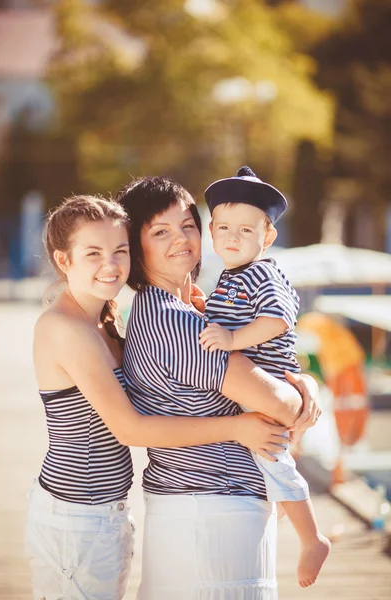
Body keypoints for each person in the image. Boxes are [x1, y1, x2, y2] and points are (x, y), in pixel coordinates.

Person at [27, 194, 296, 600]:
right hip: (74, 516)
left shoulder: (105, 318)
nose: (111, 265)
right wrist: (239, 427)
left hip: (108, 511)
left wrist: (300, 384)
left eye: (120, 251)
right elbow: (130, 429)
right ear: (64, 260)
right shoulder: (64, 327)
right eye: (93, 253)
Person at [115, 176, 321, 600]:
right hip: (211, 511)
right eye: (160, 231)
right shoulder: (175, 321)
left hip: (210, 510)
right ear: (136, 248)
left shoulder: (190, 309)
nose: (182, 239)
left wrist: (306, 385)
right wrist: (305, 391)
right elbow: (279, 405)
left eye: (188, 224)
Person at [199, 165, 331, 588]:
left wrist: (233, 338)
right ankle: (278, 515)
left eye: (245, 230)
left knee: (276, 463)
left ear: (267, 236)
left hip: (268, 383)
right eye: (222, 228)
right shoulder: (227, 277)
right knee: (268, 464)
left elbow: (275, 321)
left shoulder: (263, 273)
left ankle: (312, 539)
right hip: (254, 388)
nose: (232, 238)